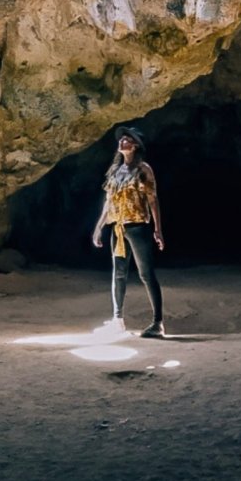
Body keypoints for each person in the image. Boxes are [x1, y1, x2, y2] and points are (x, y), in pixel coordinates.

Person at [92, 125, 165, 338]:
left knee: (146, 274)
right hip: (118, 227)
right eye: (121, 139)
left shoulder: (143, 170)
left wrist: (158, 230)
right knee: (119, 273)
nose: (122, 142)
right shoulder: (115, 171)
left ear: (135, 146)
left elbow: (153, 200)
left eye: (126, 140)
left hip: (137, 226)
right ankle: (118, 319)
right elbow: (109, 202)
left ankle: (158, 323)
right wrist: (98, 228)